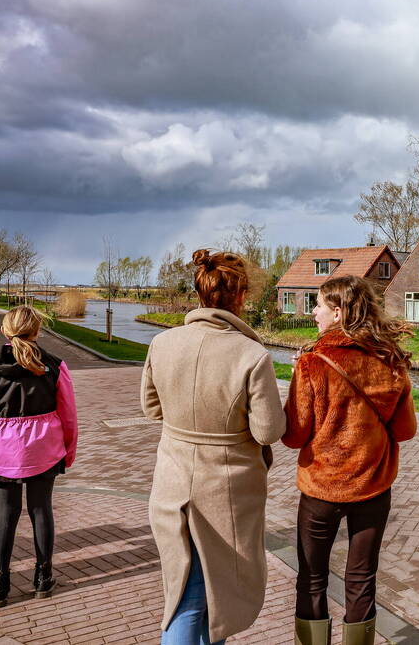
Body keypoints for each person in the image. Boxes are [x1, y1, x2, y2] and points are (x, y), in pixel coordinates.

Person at [142, 249, 286, 645]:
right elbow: (268, 431)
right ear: (241, 295)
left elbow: (151, 407)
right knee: (199, 596)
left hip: (171, 482)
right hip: (225, 492)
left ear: (200, 291)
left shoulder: (163, 343)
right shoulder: (252, 355)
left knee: (186, 585)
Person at [283, 275, 417, 645]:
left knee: (312, 577)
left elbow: (293, 435)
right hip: (373, 487)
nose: (314, 313)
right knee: (361, 579)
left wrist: (298, 378)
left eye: (319, 306)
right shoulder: (390, 361)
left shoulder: (312, 363)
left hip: (321, 489)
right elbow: (405, 430)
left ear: (338, 312)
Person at [0, 305, 78, 607]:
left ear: (4, 331)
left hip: (2, 451)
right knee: (40, 510)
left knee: (5, 516)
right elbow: (69, 414)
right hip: (44, 449)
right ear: (38, 331)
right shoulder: (54, 365)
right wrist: (68, 450)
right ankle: (43, 578)